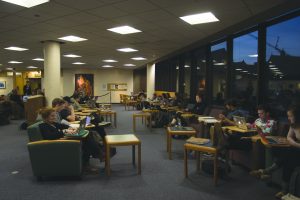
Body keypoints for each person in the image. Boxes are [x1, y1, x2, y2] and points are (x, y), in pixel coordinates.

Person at [250, 105, 300, 198]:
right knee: (288, 159)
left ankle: (267, 171)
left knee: (289, 154)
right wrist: (291, 142)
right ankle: (283, 189)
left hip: (297, 151)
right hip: (295, 151)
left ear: (297, 116)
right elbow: (289, 137)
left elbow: (291, 141)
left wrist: (293, 143)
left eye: (290, 116)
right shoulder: (294, 125)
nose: (288, 118)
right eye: (288, 116)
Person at [38, 108, 101, 173]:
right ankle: (98, 154)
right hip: (57, 145)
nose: (54, 117)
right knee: (86, 139)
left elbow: (62, 126)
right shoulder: (43, 126)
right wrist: (64, 132)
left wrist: (70, 128)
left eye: (54, 115)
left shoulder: (52, 123)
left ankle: (97, 154)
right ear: (46, 117)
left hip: (62, 141)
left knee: (88, 135)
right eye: (52, 116)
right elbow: (49, 136)